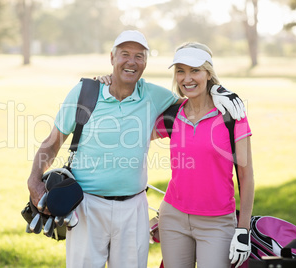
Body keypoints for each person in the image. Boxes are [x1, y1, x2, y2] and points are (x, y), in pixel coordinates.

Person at [27, 31, 246, 268]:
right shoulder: (84, 93)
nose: (131, 61)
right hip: (87, 207)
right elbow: (52, 142)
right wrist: (34, 181)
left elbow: (193, 100)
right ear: (112, 57)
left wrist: (217, 90)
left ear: (145, 63)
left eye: (139, 56)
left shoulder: (154, 96)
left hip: (134, 209)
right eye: (125, 54)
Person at [153, 42, 254, 268]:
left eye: (195, 70)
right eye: (180, 71)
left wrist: (243, 229)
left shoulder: (232, 114)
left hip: (217, 223)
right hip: (173, 217)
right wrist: (106, 83)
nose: (187, 78)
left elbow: (246, 176)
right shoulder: (173, 114)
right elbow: (133, 132)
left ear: (208, 73)